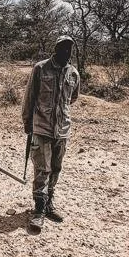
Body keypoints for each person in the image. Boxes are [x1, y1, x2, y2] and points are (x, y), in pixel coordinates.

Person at [21, 35, 80, 233]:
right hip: (41, 127)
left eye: (69, 49)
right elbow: (29, 96)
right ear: (55, 49)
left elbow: (72, 98)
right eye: (63, 48)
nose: (66, 52)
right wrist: (27, 122)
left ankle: (49, 204)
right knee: (42, 169)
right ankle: (38, 209)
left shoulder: (73, 73)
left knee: (56, 167)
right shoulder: (40, 68)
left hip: (62, 129)